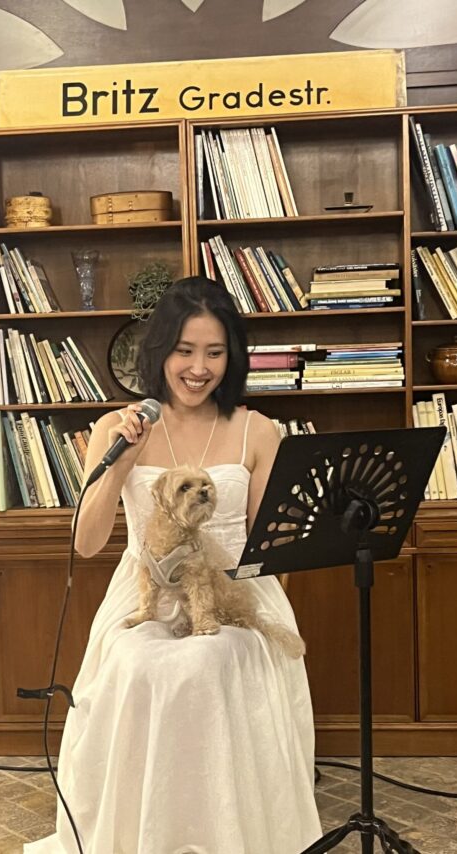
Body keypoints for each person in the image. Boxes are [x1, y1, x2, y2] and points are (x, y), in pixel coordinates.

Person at [25, 277, 321, 854]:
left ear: (232, 358)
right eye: (185, 350)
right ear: (160, 350)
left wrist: (256, 608)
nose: (198, 368)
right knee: (139, 660)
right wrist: (122, 462)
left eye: (215, 352)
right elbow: (87, 544)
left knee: (209, 660)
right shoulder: (115, 428)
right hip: (148, 589)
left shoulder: (257, 430)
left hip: (232, 589)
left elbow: (272, 549)